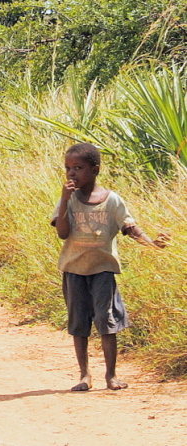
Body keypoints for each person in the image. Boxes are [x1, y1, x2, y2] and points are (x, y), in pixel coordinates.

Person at [51, 143, 169, 391]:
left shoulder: (112, 200)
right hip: (74, 270)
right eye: (68, 168)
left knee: (107, 322)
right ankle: (84, 375)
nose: (71, 173)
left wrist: (153, 245)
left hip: (103, 270)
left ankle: (111, 376)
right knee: (79, 324)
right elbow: (62, 233)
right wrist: (64, 199)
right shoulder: (68, 201)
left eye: (78, 168)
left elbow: (130, 228)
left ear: (95, 170)